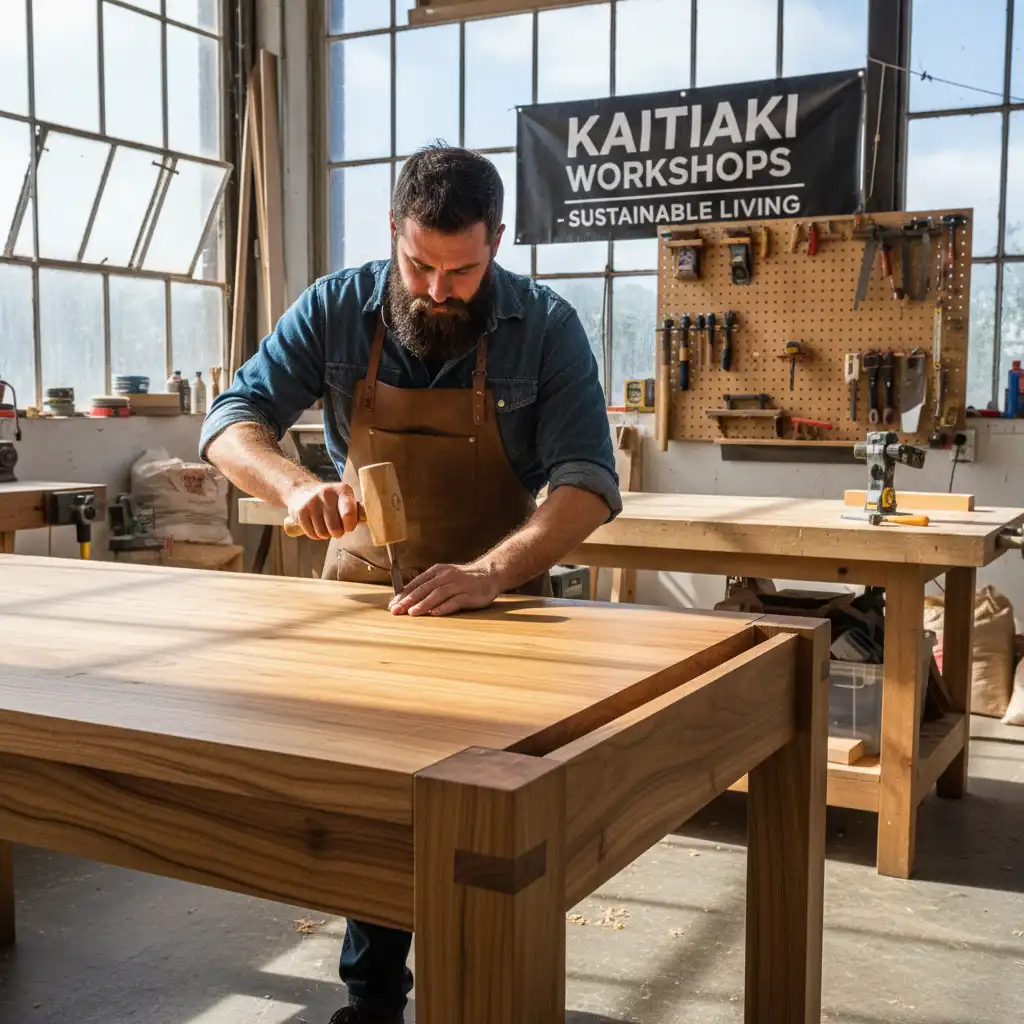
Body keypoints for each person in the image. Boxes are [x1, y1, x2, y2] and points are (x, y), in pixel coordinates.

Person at [200, 143, 621, 1023]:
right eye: (420, 265)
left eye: (462, 271)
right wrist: (292, 484)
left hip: (500, 594)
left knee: (503, 819)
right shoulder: (337, 307)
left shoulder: (546, 325)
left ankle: (495, 991)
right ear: (394, 232)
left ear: (498, 242)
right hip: (369, 588)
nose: (437, 291)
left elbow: (588, 482)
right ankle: (374, 998)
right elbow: (231, 420)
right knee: (381, 804)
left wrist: (492, 571)